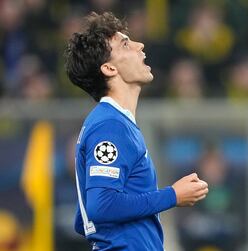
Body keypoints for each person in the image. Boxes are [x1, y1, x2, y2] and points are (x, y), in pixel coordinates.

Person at [64, 12, 209, 251]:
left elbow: (83, 219)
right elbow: (101, 206)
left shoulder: (113, 122)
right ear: (109, 68)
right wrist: (172, 195)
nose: (140, 45)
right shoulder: (110, 126)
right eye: (125, 44)